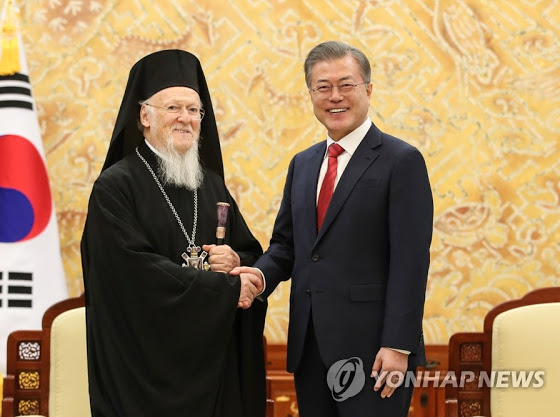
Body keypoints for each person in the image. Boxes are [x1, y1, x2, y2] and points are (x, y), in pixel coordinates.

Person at [232, 41, 433, 417]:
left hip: (375, 354)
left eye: (346, 85)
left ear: (368, 90)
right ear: (310, 94)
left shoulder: (401, 161)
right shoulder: (303, 164)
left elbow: (411, 261)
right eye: (322, 87)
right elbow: (288, 245)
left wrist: (398, 345)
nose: (334, 96)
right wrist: (259, 276)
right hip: (311, 350)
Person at [81, 49, 266, 417]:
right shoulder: (115, 187)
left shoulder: (211, 186)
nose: (186, 119)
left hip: (212, 366)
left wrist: (238, 263)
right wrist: (223, 289)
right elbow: (131, 272)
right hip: (143, 370)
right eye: (173, 108)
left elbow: (249, 253)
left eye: (194, 110)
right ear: (144, 116)